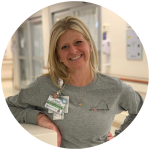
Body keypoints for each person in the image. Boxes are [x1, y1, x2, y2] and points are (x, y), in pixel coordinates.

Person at [5, 16, 145, 149]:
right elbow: (10, 106)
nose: (73, 50)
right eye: (64, 47)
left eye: (78, 42)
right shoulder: (45, 85)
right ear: (58, 56)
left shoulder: (114, 87)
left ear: (90, 45)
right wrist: (39, 118)